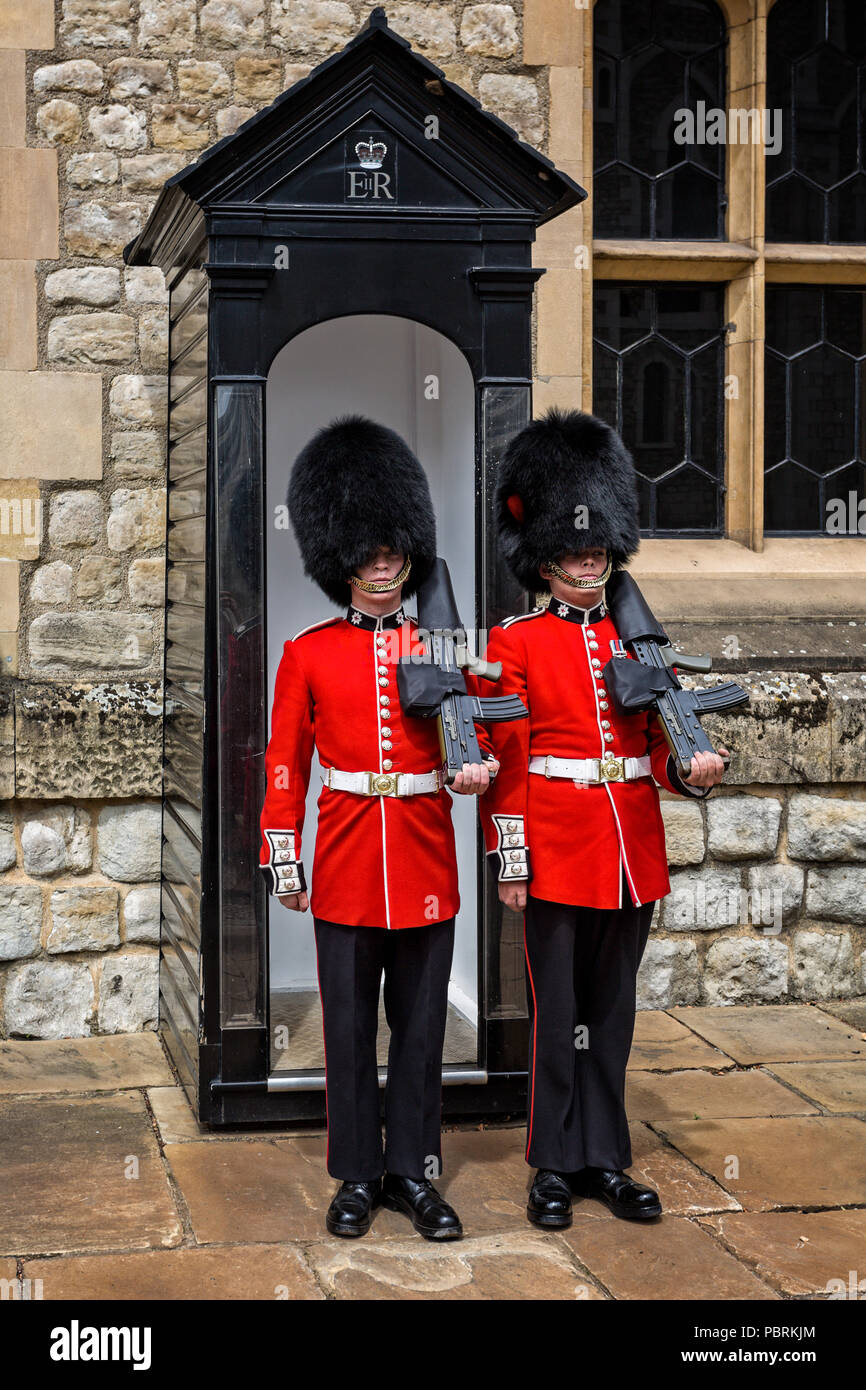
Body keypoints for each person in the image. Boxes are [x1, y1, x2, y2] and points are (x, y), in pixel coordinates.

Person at [480, 406, 728, 1226]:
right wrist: (511, 860)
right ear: (545, 561)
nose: (588, 563)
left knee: (613, 1018)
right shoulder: (513, 642)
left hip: (630, 851)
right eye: (572, 553)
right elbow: (508, 764)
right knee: (559, 1019)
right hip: (554, 847)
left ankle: (604, 1158)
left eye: (597, 551)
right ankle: (552, 1164)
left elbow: (657, 748)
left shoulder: (640, 643)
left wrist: (692, 770)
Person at [259, 414, 496, 1241]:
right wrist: (284, 860)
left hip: (427, 853)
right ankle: (357, 1174)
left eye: (392, 547)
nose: (382, 562)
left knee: (423, 1031)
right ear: (341, 559)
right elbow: (285, 764)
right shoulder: (308, 652)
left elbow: (489, 732)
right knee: (350, 1032)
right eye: (365, 551)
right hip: (349, 858)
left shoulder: (448, 642)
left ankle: (416, 1174)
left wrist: (476, 763)